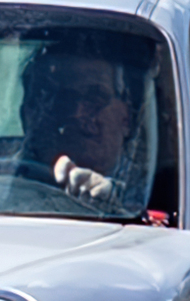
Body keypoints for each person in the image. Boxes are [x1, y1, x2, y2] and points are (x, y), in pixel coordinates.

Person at [17, 37, 153, 216]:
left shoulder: (153, 191)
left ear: (127, 117)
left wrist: (109, 203)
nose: (76, 112)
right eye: (63, 98)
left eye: (95, 98)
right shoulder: (5, 177)